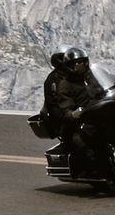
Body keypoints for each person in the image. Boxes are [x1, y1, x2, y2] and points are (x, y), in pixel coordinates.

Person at [40, 45, 103, 175]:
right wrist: (71, 114)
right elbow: (58, 106)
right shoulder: (56, 81)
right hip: (69, 118)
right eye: (74, 62)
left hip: (91, 112)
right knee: (81, 139)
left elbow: (100, 87)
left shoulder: (86, 75)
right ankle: (94, 168)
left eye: (80, 61)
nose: (78, 64)